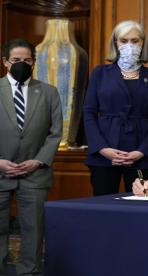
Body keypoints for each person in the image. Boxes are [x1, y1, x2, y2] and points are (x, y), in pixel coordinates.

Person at [0, 39, 63, 276]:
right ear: (5, 62)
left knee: (33, 230)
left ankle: (29, 273)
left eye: (27, 60)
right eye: (16, 60)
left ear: (34, 63)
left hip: (35, 172)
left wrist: (38, 161)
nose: (22, 64)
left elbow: (56, 133)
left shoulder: (49, 92)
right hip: (0, 170)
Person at [84, 20, 148, 196]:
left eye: (135, 41)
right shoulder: (100, 73)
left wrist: (142, 151)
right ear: (115, 43)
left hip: (140, 152)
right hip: (105, 151)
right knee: (103, 205)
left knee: (141, 206)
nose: (129, 45)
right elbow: (89, 113)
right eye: (124, 40)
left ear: (142, 43)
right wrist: (103, 149)